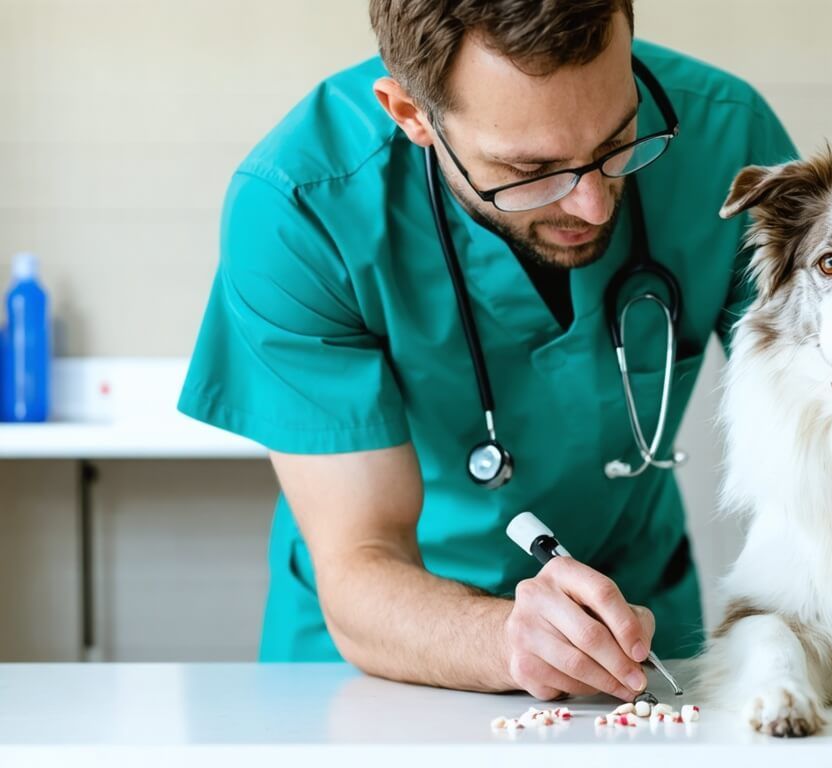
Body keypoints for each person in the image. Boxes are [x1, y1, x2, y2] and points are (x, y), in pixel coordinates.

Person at [178, 0, 796, 700]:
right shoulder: (300, 206)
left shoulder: (726, 135)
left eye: (621, 138)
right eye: (531, 168)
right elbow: (360, 558)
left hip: (632, 629)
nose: (594, 204)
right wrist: (509, 640)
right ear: (412, 115)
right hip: (381, 653)